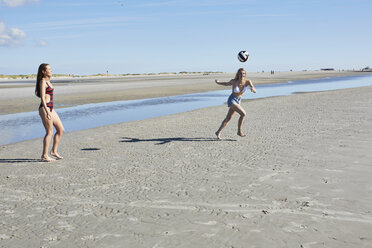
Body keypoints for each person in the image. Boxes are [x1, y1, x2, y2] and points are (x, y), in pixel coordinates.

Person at [215, 68, 256, 139]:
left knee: (228, 118)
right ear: (238, 74)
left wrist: (253, 89)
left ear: (245, 74)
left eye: (243, 73)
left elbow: (254, 89)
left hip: (238, 101)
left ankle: (218, 132)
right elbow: (226, 84)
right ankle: (239, 131)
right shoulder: (234, 81)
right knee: (243, 113)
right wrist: (218, 82)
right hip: (232, 100)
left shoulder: (248, 82)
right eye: (240, 73)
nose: (242, 75)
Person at [35, 63, 64, 162]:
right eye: (49, 69)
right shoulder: (43, 82)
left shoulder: (48, 81)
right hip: (45, 108)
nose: (51, 70)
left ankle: (53, 151)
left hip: (51, 108)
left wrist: (50, 110)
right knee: (49, 132)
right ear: (43, 71)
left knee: (61, 130)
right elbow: (43, 97)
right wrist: (47, 111)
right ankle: (44, 155)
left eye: (51, 69)